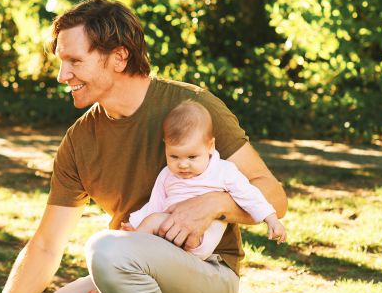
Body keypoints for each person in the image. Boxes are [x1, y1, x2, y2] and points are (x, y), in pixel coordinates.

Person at [0, 0, 287, 293]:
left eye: (73, 61)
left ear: (118, 57)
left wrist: (215, 202)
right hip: (125, 273)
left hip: (207, 280)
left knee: (107, 247)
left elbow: (273, 193)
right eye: (60, 61)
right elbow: (47, 243)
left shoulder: (192, 107)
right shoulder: (80, 141)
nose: (62, 75)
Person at [120, 100, 286, 260]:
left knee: (151, 223)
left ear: (210, 146)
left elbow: (249, 195)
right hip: (169, 232)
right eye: (174, 156)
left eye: (192, 156)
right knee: (152, 224)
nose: (183, 164)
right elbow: (155, 203)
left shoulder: (223, 171)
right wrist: (135, 223)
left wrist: (271, 219)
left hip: (201, 238)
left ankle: (129, 252)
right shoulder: (167, 174)